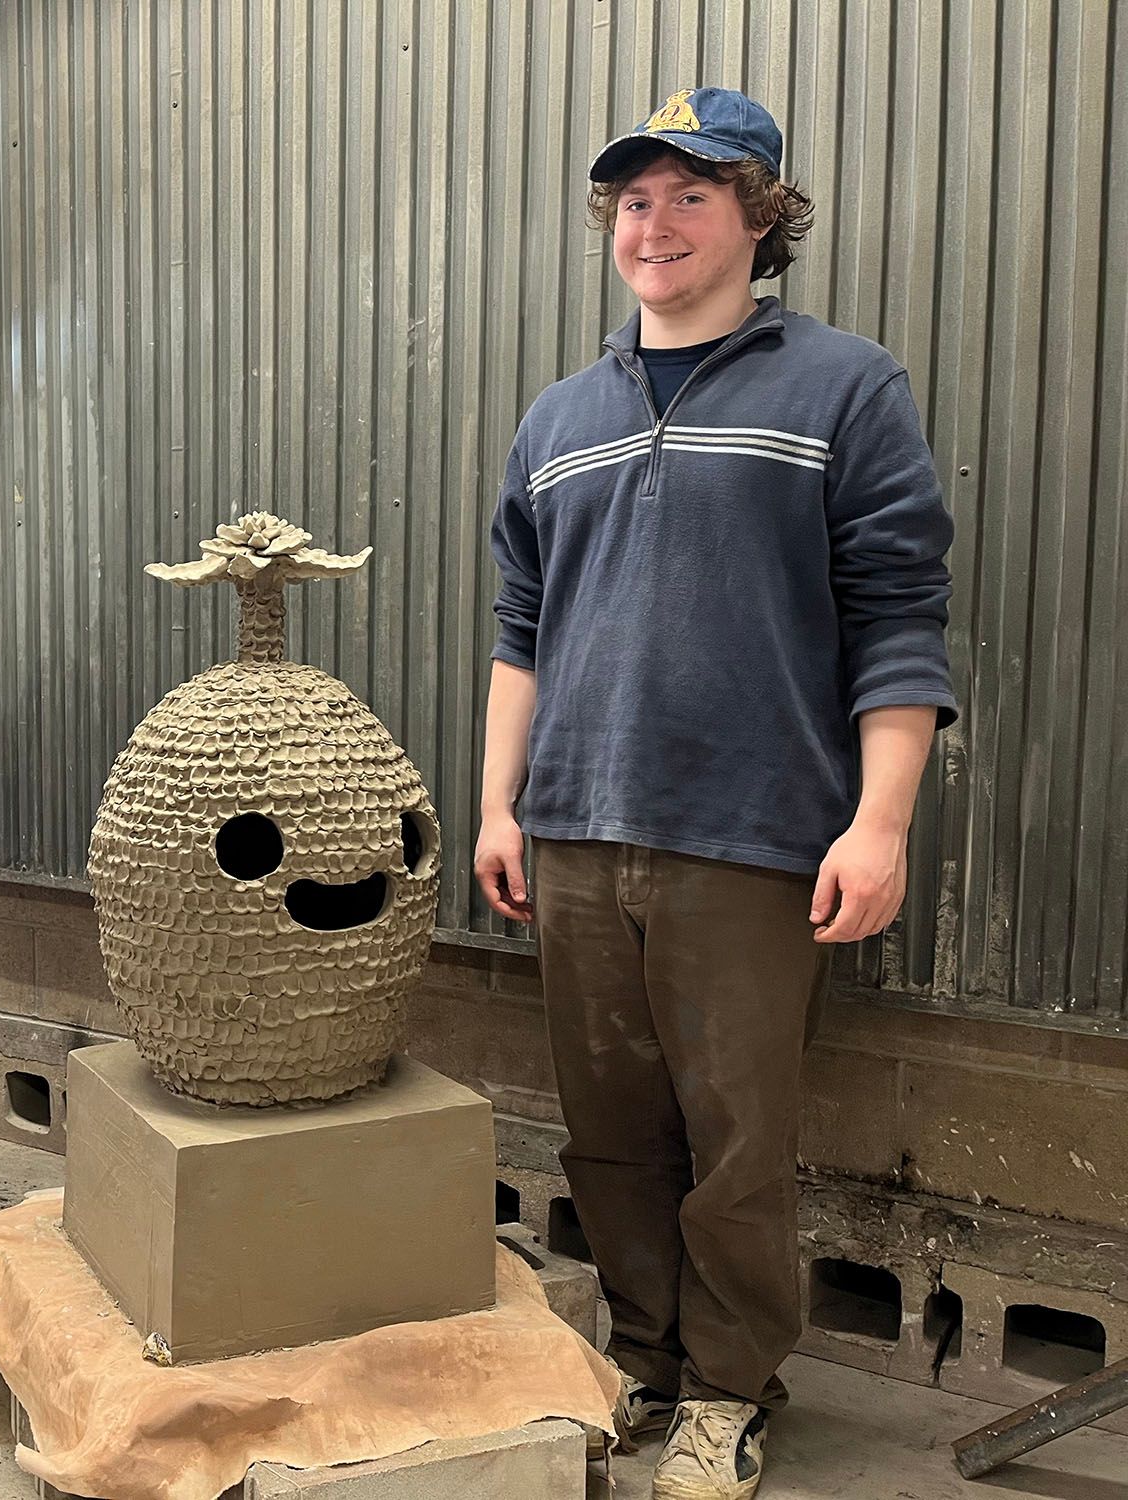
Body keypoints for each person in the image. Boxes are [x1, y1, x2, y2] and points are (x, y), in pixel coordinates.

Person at [474, 88, 955, 1500]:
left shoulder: (844, 389)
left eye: (694, 194)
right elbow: (521, 632)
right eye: (634, 199)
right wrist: (501, 808)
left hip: (750, 844)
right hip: (571, 834)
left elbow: (900, 619)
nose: (657, 223)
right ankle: (647, 1356)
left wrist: (880, 823)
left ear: (763, 216)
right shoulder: (559, 419)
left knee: (737, 1145)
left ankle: (733, 1389)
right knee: (610, 1131)